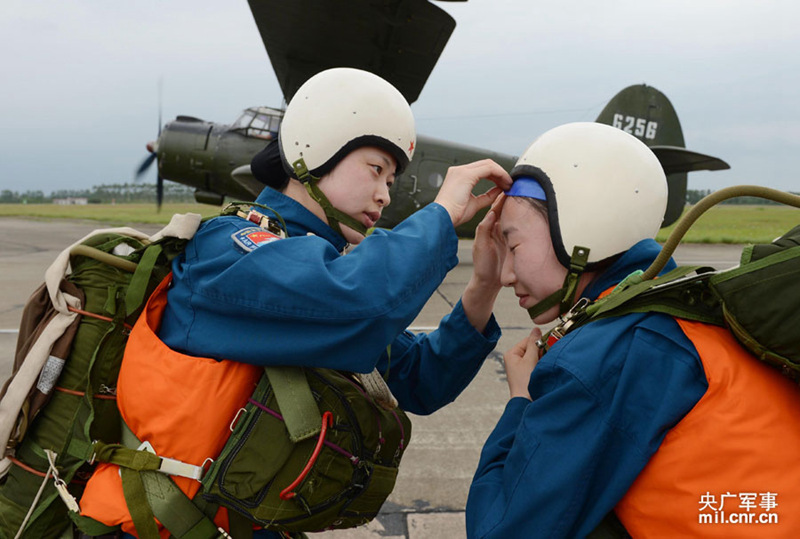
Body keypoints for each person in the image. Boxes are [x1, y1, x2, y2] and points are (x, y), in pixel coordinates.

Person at [77, 67, 512, 537]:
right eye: (375, 169)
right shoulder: (228, 249)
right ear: (314, 151)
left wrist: (484, 285)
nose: (386, 194)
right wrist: (441, 215)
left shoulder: (314, 276)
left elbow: (420, 379)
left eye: (391, 177)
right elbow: (358, 299)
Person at [466, 122, 800, 537]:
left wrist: (521, 402)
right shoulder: (679, 307)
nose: (506, 273)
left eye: (512, 246)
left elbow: (501, 531)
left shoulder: (601, 359)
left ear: (578, 232)